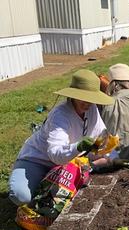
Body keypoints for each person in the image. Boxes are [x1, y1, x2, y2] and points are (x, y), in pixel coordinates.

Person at [8, 69, 115, 206]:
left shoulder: (92, 109)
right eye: (84, 97)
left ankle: (46, 187)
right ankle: (31, 178)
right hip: (39, 160)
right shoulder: (60, 115)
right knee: (21, 196)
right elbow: (55, 155)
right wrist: (78, 147)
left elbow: (100, 135)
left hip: (68, 162)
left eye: (91, 98)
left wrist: (106, 144)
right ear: (73, 95)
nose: (88, 102)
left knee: (106, 162)